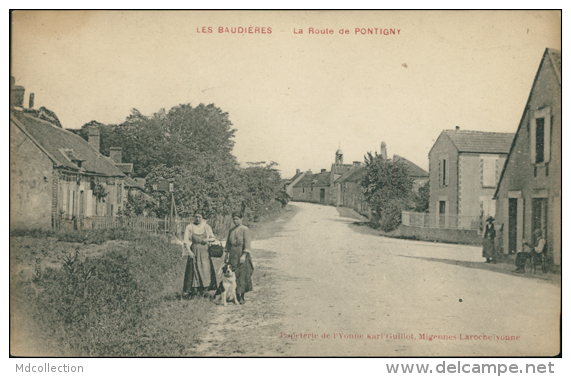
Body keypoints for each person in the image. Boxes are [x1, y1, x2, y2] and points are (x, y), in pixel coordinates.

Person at [182, 210, 217, 298]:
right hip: (194, 250)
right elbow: (186, 241)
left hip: (205, 251)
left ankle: (204, 291)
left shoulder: (206, 227)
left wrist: (207, 240)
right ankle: (194, 292)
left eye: (199, 217)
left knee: (205, 269)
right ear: (194, 217)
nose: (197, 219)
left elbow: (213, 238)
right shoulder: (190, 227)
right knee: (194, 270)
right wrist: (189, 251)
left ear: (202, 218)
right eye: (196, 217)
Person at [224, 212, 254, 305]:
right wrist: (226, 254)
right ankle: (235, 295)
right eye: (234, 219)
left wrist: (244, 255)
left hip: (242, 254)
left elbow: (247, 243)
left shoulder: (245, 229)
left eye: (237, 219)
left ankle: (242, 296)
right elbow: (228, 244)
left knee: (242, 275)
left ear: (241, 219)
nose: (235, 221)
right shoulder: (231, 230)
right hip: (233, 255)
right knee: (234, 274)